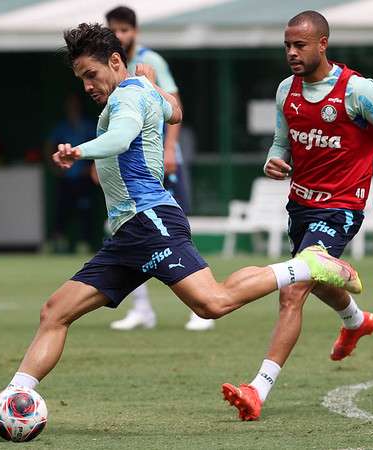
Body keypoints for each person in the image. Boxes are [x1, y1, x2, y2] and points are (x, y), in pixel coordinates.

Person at [0, 23, 364, 431]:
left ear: (115, 61)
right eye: (81, 79)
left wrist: (79, 150)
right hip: (128, 232)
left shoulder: (127, 99)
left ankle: (308, 267)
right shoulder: (140, 90)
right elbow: (176, 112)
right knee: (55, 312)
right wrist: (152, 86)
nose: (87, 87)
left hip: (150, 221)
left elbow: (121, 137)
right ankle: (7, 401)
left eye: (91, 75)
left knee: (212, 303)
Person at [221, 11, 373, 421]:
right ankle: (356, 321)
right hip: (300, 205)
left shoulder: (358, 91)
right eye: (287, 46)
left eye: (300, 45)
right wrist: (273, 160)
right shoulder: (285, 91)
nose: (292, 53)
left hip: (341, 206)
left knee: (292, 290)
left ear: (322, 44)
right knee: (316, 281)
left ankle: (257, 390)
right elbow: (281, 142)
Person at [105, 5, 212, 331]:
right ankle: (142, 309)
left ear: (135, 32)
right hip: (129, 167)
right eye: (114, 30)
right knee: (125, 231)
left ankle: (202, 303)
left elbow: (173, 105)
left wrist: (170, 149)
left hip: (159, 160)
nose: (120, 36)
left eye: (125, 30)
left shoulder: (151, 62)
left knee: (175, 230)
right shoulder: (111, 67)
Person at [46, 93, 101, 253]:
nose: (72, 107)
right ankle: (58, 242)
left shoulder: (89, 125)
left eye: (75, 104)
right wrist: (54, 166)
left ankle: (84, 243)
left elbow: (99, 145)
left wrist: (91, 166)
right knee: (62, 211)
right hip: (66, 178)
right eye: (70, 104)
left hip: (84, 179)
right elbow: (49, 145)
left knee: (86, 212)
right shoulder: (61, 127)